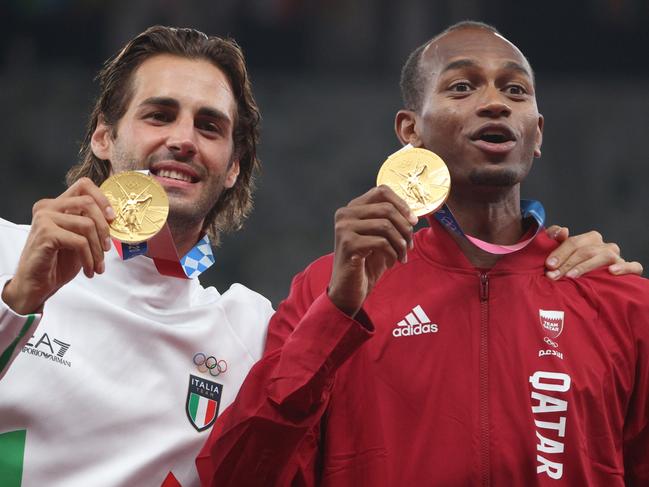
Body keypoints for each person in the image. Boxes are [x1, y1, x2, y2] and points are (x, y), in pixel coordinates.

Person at [196, 21, 649, 486]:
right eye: (461, 87)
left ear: (537, 133)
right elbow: (238, 475)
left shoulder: (621, 300)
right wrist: (335, 314)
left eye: (516, 90)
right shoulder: (330, 291)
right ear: (410, 129)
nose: (495, 102)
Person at [0, 26, 274, 487]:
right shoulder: (7, 250)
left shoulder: (251, 331)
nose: (184, 139)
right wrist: (17, 302)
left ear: (233, 168)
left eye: (209, 126)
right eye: (159, 115)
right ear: (103, 137)